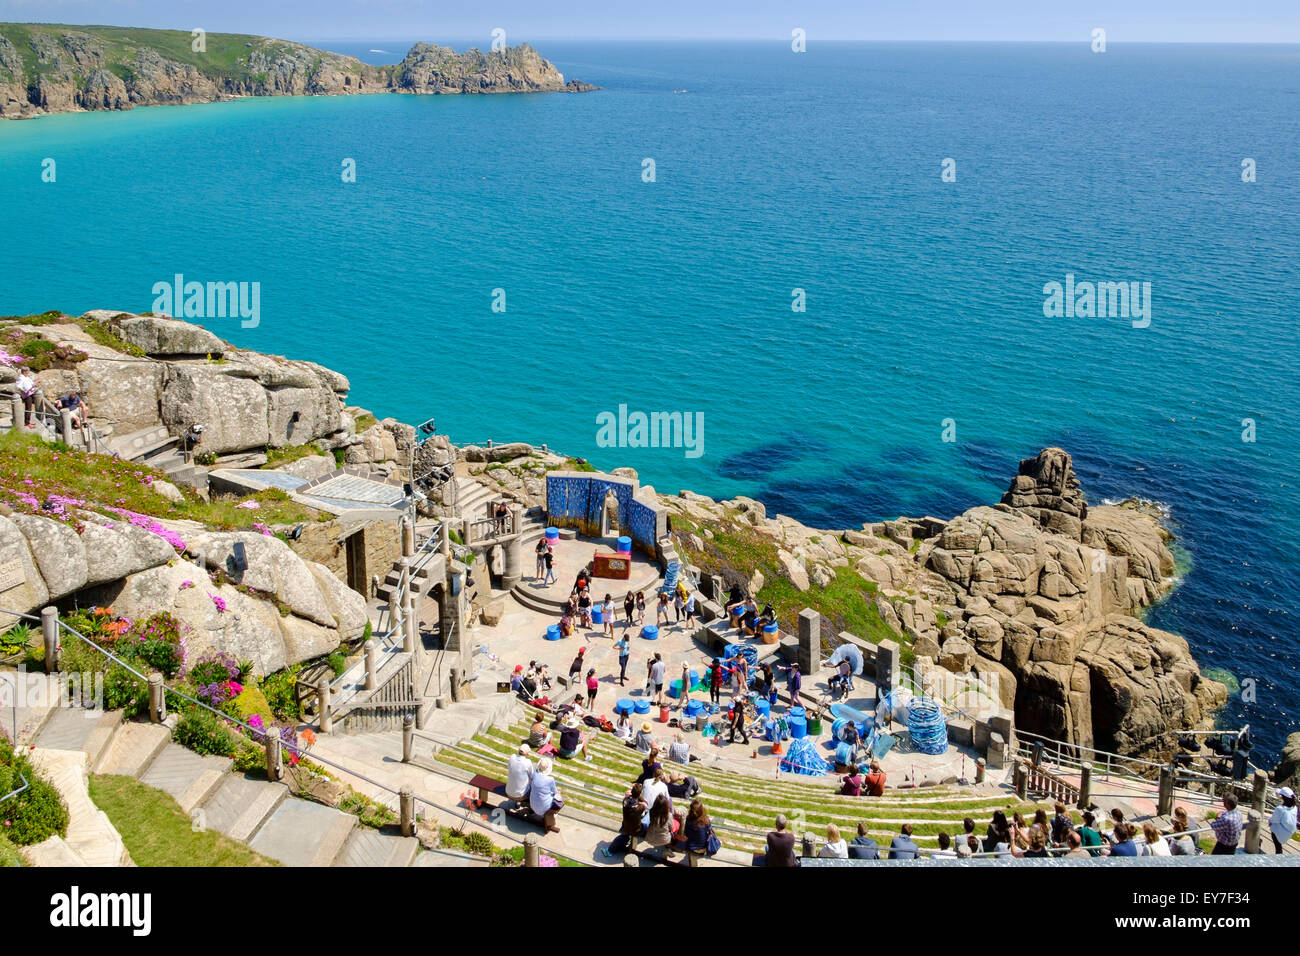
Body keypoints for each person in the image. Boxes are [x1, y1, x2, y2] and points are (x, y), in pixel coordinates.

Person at [606, 783, 648, 857]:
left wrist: (630, 795)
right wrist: (639, 796)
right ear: (639, 794)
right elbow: (646, 803)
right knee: (649, 815)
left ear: (631, 792)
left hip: (625, 826)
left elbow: (631, 799)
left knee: (626, 833)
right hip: (637, 830)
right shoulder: (640, 807)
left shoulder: (625, 801)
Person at [528, 757, 562, 832]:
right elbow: (555, 791)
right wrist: (558, 792)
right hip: (544, 807)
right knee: (559, 796)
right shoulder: (550, 780)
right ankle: (552, 817)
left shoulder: (535, 774)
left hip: (533, 804)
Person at [682, 799, 714, 866]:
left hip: (691, 848)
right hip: (703, 848)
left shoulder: (688, 820)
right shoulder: (706, 820)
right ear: (702, 809)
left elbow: (686, 834)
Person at [1269, 787, 1297, 855]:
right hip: (1290, 832)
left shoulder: (1280, 809)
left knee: (1272, 826)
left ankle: (1278, 853)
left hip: (1282, 834)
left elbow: (1273, 820)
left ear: (1283, 798)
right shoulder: (1295, 807)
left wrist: (1269, 821)